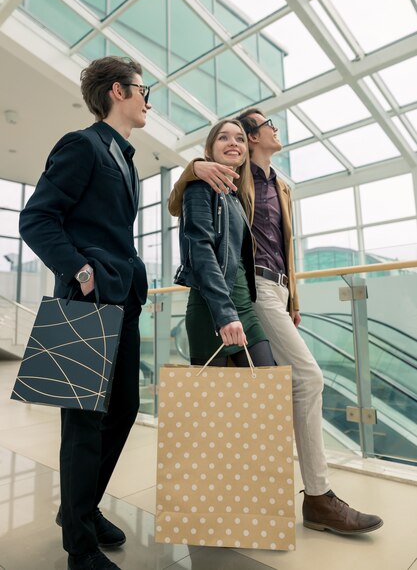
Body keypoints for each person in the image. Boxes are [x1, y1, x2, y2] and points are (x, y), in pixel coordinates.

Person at [168, 108, 383, 536]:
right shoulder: (222, 181)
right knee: (303, 380)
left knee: (255, 402)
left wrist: (294, 300)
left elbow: (282, 248)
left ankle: (251, 503)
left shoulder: (277, 186)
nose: (272, 130)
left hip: (270, 294)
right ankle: (315, 497)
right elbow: (186, 214)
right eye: (265, 125)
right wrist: (195, 167)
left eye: (240, 139)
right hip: (243, 296)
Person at [19, 56, 151, 570]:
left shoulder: (125, 156)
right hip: (86, 299)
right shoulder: (82, 145)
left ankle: (81, 508)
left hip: (125, 298)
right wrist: (79, 270)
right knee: (83, 425)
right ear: (119, 91)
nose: (147, 100)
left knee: (123, 410)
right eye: (143, 90)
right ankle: (80, 547)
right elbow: (37, 218)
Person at [175, 118, 275, 368]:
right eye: (223, 137)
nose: (233, 143)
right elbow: (201, 252)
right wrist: (225, 314)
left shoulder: (234, 197)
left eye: (240, 138)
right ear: (209, 150)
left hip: (244, 307)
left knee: (266, 388)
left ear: (244, 154)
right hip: (212, 308)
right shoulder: (198, 187)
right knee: (210, 402)